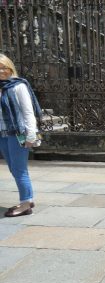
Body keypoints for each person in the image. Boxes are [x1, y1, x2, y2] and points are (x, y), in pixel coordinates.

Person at [0, 53, 42, 217]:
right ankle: (27, 200)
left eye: (2, 68)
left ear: (9, 68)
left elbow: (28, 112)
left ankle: (25, 204)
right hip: (3, 133)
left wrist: (31, 136)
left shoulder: (18, 86)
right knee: (13, 168)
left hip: (19, 134)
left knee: (19, 170)